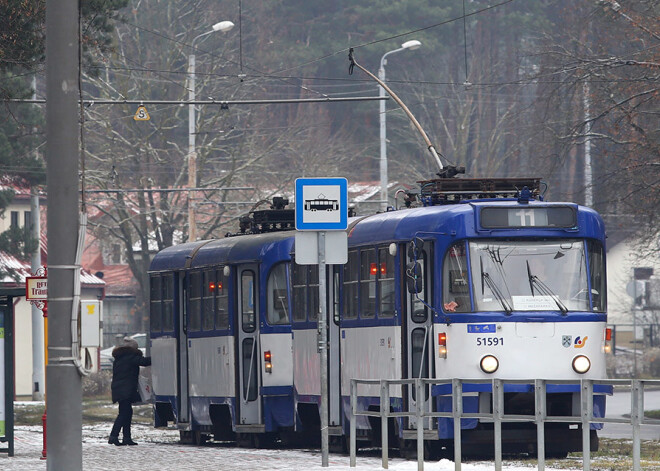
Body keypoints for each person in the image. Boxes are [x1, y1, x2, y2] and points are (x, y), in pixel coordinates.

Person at [108, 336, 151, 446]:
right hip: (125, 390)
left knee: (127, 413)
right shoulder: (131, 357)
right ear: (134, 349)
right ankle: (113, 436)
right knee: (124, 414)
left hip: (120, 389)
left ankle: (127, 437)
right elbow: (145, 362)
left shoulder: (120, 357)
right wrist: (158, 356)